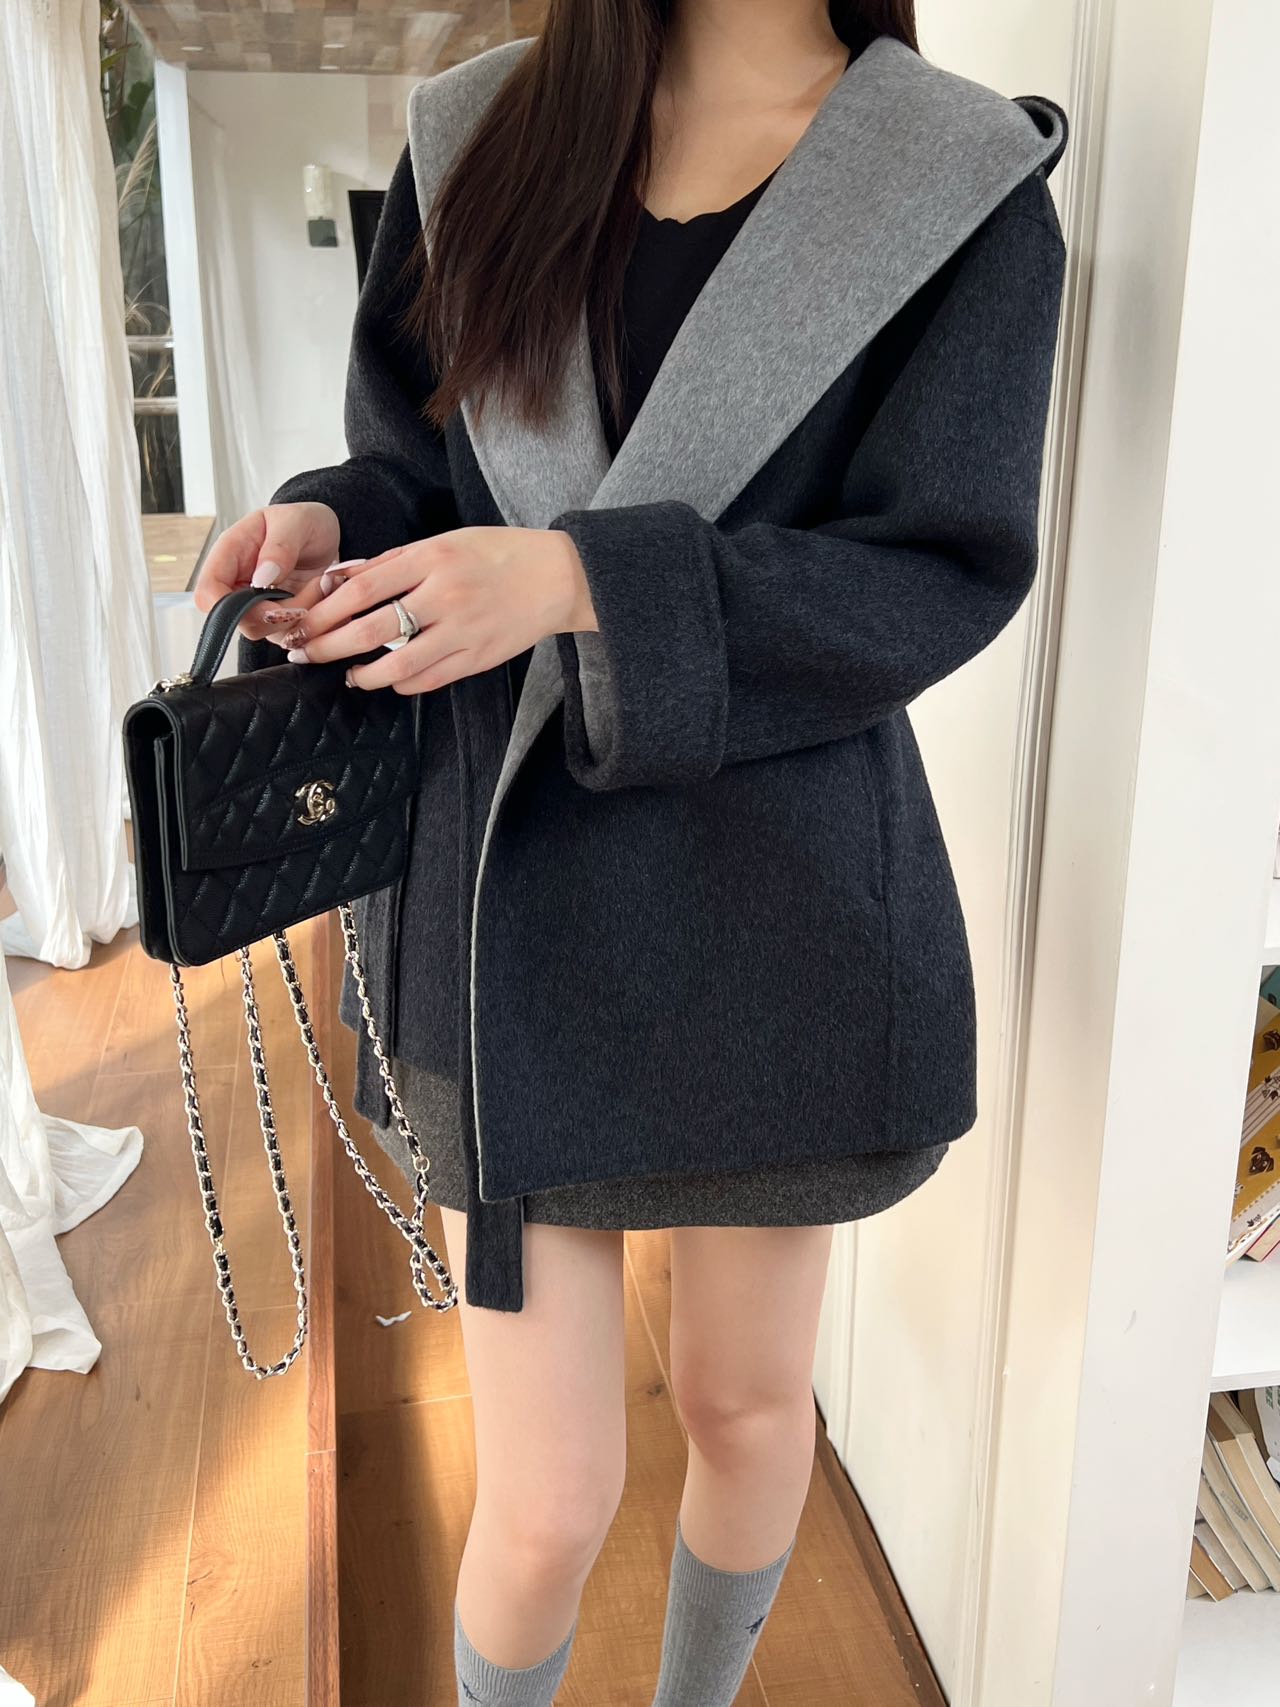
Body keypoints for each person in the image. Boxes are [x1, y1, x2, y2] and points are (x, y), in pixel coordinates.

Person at [195, 3, 1068, 1701]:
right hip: (506, 896)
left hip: (782, 895)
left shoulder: (955, 176)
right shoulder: (477, 134)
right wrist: (333, 522)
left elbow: (940, 571)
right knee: (546, 1501)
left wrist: (590, 580)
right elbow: (413, 464)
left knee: (747, 1408)